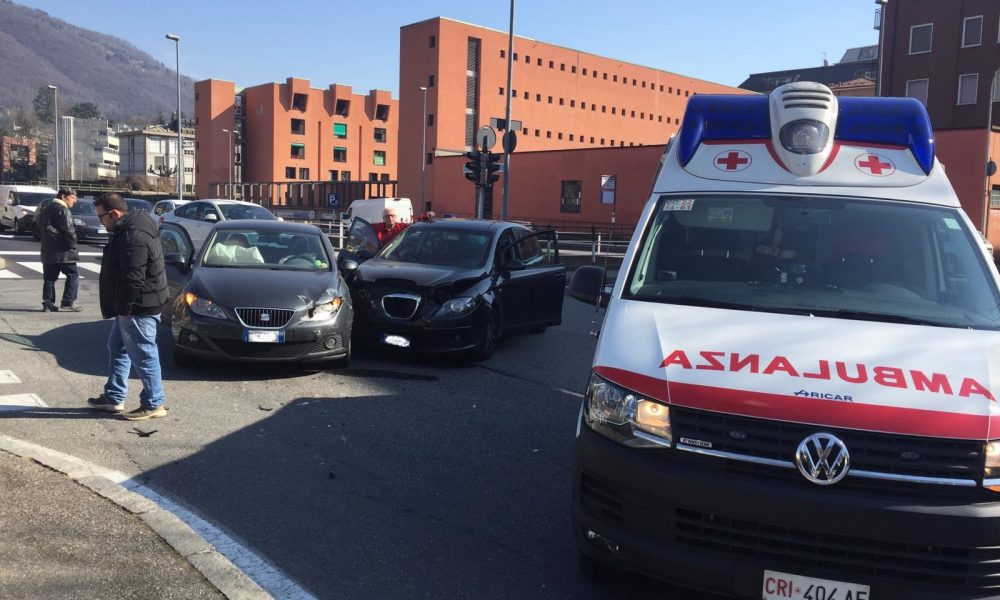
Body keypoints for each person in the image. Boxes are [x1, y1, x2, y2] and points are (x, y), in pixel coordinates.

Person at [86, 193, 169, 421]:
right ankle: (114, 397)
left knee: (143, 354)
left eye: (101, 217)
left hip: (139, 306)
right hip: (137, 303)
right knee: (117, 346)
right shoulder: (130, 225)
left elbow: (134, 277)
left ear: (114, 213)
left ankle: (154, 403)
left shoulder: (133, 235)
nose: (100, 222)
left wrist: (124, 308)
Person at [37, 188, 81, 311]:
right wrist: (73, 246)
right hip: (63, 251)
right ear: (63, 196)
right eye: (72, 197)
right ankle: (68, 302)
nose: (75, 201)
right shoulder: (63, 210)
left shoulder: (46, 209)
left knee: (49, 278)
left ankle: (48, 303)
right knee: (73, 274)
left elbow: (39, 227)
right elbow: (69, 231)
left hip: (47, 250)